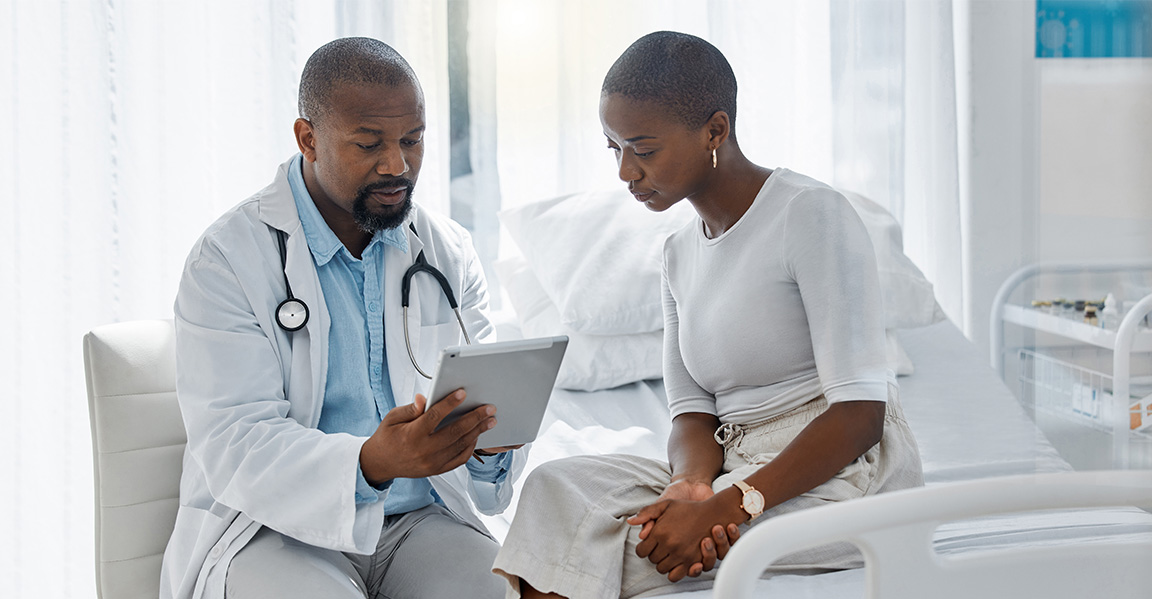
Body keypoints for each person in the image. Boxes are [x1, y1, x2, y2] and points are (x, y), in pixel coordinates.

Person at [491, 31, 924, 599]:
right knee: (556, 492)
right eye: (613, 148)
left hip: (842, 475)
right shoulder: (677, 253)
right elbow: (693, 413)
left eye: (643, 150)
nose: (625, 171)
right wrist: (692, 487)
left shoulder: (809, 215)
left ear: (715, 131)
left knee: (601, 551)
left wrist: (734, 505)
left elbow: (861, 412)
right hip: (731, 468)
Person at [160, 37, 525, 599]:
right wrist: (370, 462)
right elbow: (236, 442)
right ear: (308, 139)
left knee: (500, 592)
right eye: (369, 143)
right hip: (272, 530)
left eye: (413, 140)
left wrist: (490, 446)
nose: (397, 165)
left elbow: (484, 408)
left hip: (415, 521)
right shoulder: (229, 260)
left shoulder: (445, 250)